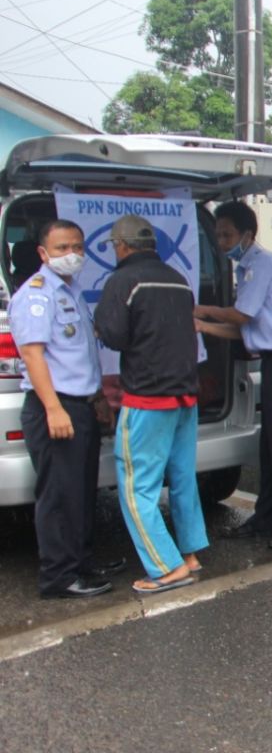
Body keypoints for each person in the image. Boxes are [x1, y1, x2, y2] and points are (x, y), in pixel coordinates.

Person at [94, 214, 206, 594]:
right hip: (185, 396)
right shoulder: (177, 279)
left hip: (147, 398)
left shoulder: (123, 280)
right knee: (182, 478)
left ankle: (166, 567)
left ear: (120, 246)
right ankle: (189, 553)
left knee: (136, 488)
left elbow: (113, 334)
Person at [10, 219, 122, 598]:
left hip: (80, 405)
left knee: (80, 491)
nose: (71, 254)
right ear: (43, 253)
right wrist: (54, 409)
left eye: (77, 247)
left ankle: (81, 561)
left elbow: (80, 356)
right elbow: (33, 354)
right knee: (59, 496)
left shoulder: (70, 292)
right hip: (54, 408)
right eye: (61, 248)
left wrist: (98, 400)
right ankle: (59, 576)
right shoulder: (36, 295)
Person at [194, 201, 272, 549]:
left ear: (247, 234)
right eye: (217, 234)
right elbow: (245, 331)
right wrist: (202, 326)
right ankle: (264, 520)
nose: (221, 241)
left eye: (226, 234)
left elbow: (242, 316)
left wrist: (202, 310)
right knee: (270, 448)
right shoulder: (245, 268)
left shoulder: (260, 264)